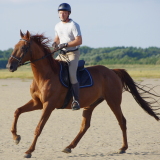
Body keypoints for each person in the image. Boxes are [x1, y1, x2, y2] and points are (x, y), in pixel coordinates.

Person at [52, 3, 82, 110]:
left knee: (72, 75)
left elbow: (79, 40)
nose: (62, 15)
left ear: (68, 13)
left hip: (73, 53)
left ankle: (76, 100)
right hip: (61, 54)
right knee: (51, 69)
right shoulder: (57, 25)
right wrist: (55, 43)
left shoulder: (74, 25)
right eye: (60, 13)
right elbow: (57, 38)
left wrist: (66, 44)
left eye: (64, 13)